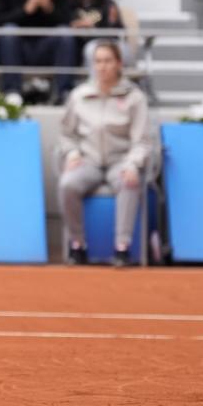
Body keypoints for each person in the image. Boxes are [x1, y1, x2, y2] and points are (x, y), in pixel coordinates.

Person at [58, 40, 150, 267]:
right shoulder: (80, 95)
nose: (102, 66)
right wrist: (72, 153)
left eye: (108, 61)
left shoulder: (134, 97)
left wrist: (133, 164)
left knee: (129, 183)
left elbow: (143, 140)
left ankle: (122, 247)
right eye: (98, 61)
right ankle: (78, 245)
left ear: (119, 63)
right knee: (67, 184)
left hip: (121, 161)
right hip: (88, 161)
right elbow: (65, 134)